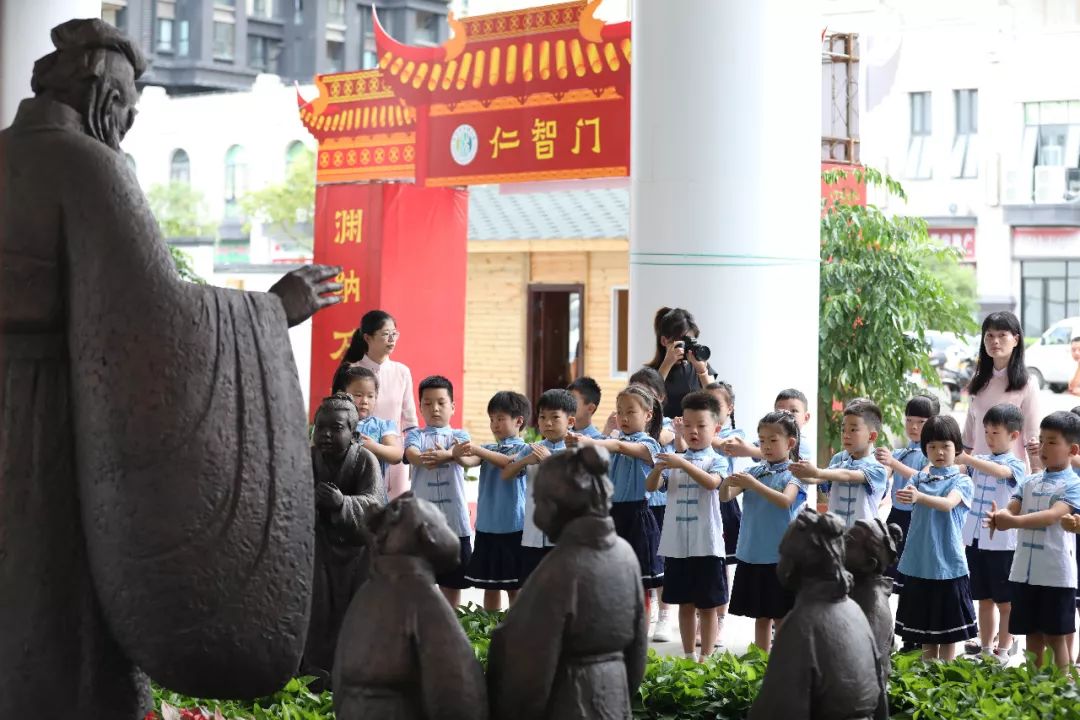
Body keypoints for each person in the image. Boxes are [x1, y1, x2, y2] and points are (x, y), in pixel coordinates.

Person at [1, 19, 342, 715]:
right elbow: (148, 312)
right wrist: (274, 311)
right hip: (46, 420)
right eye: (125, 103)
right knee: (53, 606)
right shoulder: (84, 165)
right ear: (100, 89)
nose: (125, 122)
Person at [487, 446, 648, 720]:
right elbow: (638, 652)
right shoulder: (625, 554)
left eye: (537, 501)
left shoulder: (560, 568)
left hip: (570, 700)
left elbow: (528, 667)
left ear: (553, 506)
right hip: (615, 698)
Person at [303, 393, 387, 687]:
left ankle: (353, 668)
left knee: (355, 611)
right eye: (320, 427)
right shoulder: (307, 459)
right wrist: (308, 501)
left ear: (354, 434)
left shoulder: (366, 461)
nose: (325, 434)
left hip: (357, 553)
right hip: (317, 549)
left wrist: (342, 503)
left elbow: (376, 507)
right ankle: (312, 669)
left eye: (336, 428)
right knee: (316, 608)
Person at [987, 411, 1080, 669]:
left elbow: (1052, 516)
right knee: (1032, 636)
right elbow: (1012, 507)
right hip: (1023, 572)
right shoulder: (1029, 481)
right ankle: (1034, 690)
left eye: (1052, 441)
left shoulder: (1074, 485)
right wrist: (999, 516)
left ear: (1072, 449)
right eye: (1041, 439)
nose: (1043, 447)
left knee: (1055, 637)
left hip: (1054, 574)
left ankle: (1061, 690)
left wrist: (1011, 522)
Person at [648, 391, 729, 662]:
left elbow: (712, 483)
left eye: (702, 426)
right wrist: (659, 469)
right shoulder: (672, 458)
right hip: (677, 544)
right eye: (689, 425)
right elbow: (651, 487)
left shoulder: (716, 459)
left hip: (705, 544)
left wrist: (680, 461)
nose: (694, 431)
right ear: (681, 424)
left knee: (707, 605)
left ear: (716, 428)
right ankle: (687, 656)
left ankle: (705, 657)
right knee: (684, 602)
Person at [721, 411, 808, 652]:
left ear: (790, 443)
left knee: (781, 615)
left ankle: (781, 662)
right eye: (761, 440)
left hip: (781, 557)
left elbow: (785, 501)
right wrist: (727, 483)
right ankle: (761, 663)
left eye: (773, 440)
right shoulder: (754, 472)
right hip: (753, 553)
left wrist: (753, 485)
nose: (766, 446)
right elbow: (726, 496)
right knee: (761, 616)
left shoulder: (795, 473)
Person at [893, 415, 976, 661]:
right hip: (920, 563)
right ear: (924, 449)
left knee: (948, 633)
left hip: (948, 565)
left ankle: (947, 675)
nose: (939, 452)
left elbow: (948, 504)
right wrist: (909, 495)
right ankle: (929, 680)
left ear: (957, 448)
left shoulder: (963, 481)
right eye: (932, 447)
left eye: (945, 446)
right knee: (927, 632)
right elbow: (905, 497)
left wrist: (918, 497)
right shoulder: (918, 478)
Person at [570, 385, 665, 592]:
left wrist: (590, 441)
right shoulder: (611, 441)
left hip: (636, 517)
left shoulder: (649, 444)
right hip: (610, 515)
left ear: (648, 415)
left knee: (639, 583)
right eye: (620, 411)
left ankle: (640, 624)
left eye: (630, 412)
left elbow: (620, 447)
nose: (624, 417)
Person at [957, 403, 1027, 660]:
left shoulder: (1016, 465)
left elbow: (1001, 472)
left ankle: (1004, 649)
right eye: (986, 432)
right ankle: (986, 650)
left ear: (1014, 435)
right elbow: (961, 468)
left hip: (1002, 544)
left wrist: (967, 458)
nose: (988, 438)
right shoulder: (979, 461)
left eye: (994, 433)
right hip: (975, 540)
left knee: (1005, 602)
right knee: (983, 599)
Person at [403, 375, 479, 607]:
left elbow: (472, 459)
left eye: (441, 402)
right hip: (421, 521)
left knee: (454, 581)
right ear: (420, 407)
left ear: (452, 406)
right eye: (428, 403)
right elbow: (411, 454)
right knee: (420, 578)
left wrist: (447, 454)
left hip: (453, 520)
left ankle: (452, 621)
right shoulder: (415, 435)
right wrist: (425, 458)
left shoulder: (460, 436)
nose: (435, 408)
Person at [460, 391, 530, 611]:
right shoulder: (488, 449)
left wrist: (476, 448)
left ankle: (516, 627)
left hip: (514, 527)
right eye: (492, 419)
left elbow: (508, 462)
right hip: (486, 527)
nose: (494, 424)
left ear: (519, 421)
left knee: (513, 585)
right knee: (490, 585)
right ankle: (490, 626)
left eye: (500, 419)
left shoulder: (525, 449)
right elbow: (469, 461)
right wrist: (457, 452)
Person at [502, 388, 576, 582]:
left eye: (555, 417)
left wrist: (548, 462)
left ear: (570, 422)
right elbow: (506, 474)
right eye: (542, 417)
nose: (547, 423)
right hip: (533, 534)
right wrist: (524, 461)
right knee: (532, 587)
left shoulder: (576, 450)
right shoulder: (531, 448)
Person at [343, 309, 419, 498]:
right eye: (385, 334)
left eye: (395, 334)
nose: (391, 339)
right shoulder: (351, 372)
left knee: (394, 516)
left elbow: (410, 421)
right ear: (367, 338)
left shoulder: (402, 372)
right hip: (358, 454)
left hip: (394, 456)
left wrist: (412, 455)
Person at [628, 366, 678, 640]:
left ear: (658, 399)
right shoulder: (623, 428)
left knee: (661, 559)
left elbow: (658, 438)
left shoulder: (667, 426)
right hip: (637, 501)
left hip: (660, 501)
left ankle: (666, 615)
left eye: (644, 394)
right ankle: (645, 612)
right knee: (643, 561)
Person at [874, 394, 938, 595]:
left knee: (912, 573)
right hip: (895, 516)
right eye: (909, 420)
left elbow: (922, 478)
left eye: (921, 422)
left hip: (916, 519)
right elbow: (883, 478)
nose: (913, 426)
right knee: (888, 572)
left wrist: (892, 463)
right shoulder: (900, 452)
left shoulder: (931, 453)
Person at [791, 399, 888, 528]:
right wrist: (797, 471)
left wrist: (816, 471)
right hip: (838, 535)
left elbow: (848, 475)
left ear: (872, 437)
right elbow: (815, 479)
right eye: (843, 430)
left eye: (853, 430)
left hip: (863, 540)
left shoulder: (878, 470)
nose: (846, 435)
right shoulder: (841, 464)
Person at [962, 312, 1039, 470]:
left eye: (1002, 335)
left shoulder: (1027, 384)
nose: (995, 341)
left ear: (1016, 340)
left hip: (1009, 475)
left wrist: (1037, 476)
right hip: (977, 472)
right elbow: (968, 436)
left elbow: (1032, 438)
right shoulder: (977, 382)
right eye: (989, 335)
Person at [332, 364, 404, 480]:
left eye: (371, 396)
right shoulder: (331, 422)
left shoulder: (383, 426)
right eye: (358, 395)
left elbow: (397, 455)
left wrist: (373, 447)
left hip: (373, 494)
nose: (365, 401)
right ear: (341, 394)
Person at [645, 307, 714, 418]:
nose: (687, 346)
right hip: (666, 431)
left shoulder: (700, 367)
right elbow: (646, 402)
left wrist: (702, 371)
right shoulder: (650, 373)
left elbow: (716, 401)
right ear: (664, 341)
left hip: (696, 431)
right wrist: (667, 363)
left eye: (691, 341)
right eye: (683, 341)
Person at [719, 388, 814, 463]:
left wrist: (747, 450)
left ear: (806, 418)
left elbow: (788, 457)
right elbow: (753, 445)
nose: (786, 415)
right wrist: (738, 445)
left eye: (793, 411)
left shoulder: (802, 444)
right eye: (780, 412)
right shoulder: (767, 437)